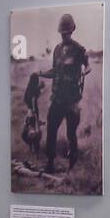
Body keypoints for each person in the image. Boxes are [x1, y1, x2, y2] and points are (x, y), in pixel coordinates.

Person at [39, 12, 89, 173]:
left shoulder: (79, 49)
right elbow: (55, 70)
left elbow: (87, 66)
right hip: (57, 99)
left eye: (67, 33)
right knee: (51, 130)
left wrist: (84, 72)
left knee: (71, 133)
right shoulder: (57, 50)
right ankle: (50, 162)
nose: (64, 35)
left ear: (72, 30)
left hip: (72, 100)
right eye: (62, 33)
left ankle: (73, 164)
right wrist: (41, 73)